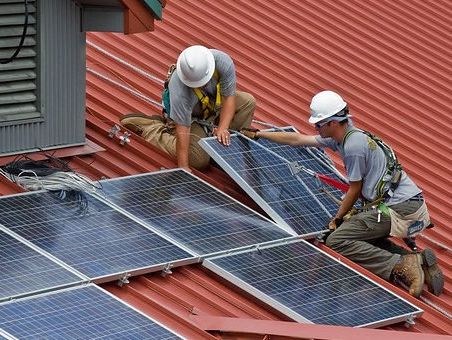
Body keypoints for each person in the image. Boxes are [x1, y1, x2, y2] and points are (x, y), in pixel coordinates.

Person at [241, 90, 444, 298]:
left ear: (333, 123)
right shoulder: (347, 137)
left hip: (399, 209)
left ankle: (400, 265)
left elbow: (355, 189)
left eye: (319, 124)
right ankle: (417, 260)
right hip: (407, 204)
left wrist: (336, 219)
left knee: (337, 240)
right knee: (355, 235)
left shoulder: (353, 147)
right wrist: (259, 134)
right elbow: (298, 139)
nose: (316, 127)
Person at [120, 45, 255, 171]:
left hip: (212, 105)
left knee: (247, 102)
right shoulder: (180, 91)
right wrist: (184, 167)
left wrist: (223, 128)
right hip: (191, 118)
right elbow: (183, 132)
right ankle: (152, 129)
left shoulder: (222, 62)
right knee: (198, 160)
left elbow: (229, 100)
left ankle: (222, 148)